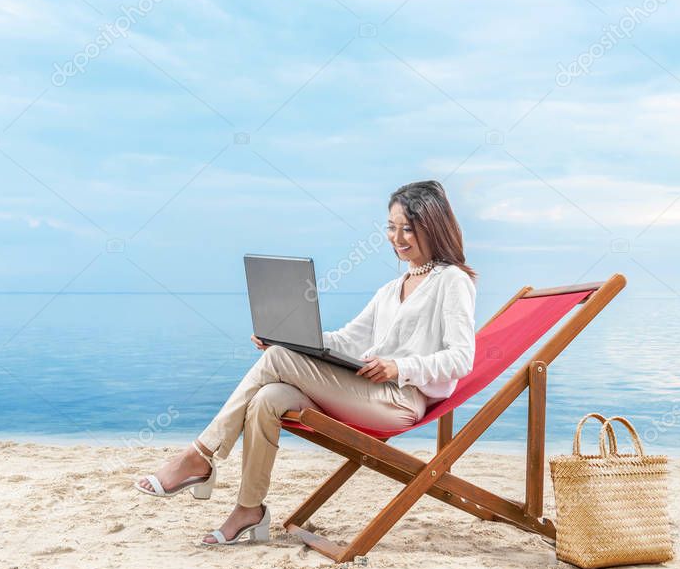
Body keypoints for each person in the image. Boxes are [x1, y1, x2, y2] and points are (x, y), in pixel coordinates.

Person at [135, 180, 477, 546]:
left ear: (433, 224)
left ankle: (199, 455)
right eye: (391, 227)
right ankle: (249, 509)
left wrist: (399, 367)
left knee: (280, 360)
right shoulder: (391, 289)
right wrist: (284, 334)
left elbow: (462, 357)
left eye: (408, 227)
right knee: (269, 397)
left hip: (400, 400)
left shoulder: (452, 281)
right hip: (367, 391)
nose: (397, 237)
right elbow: (347, 339)